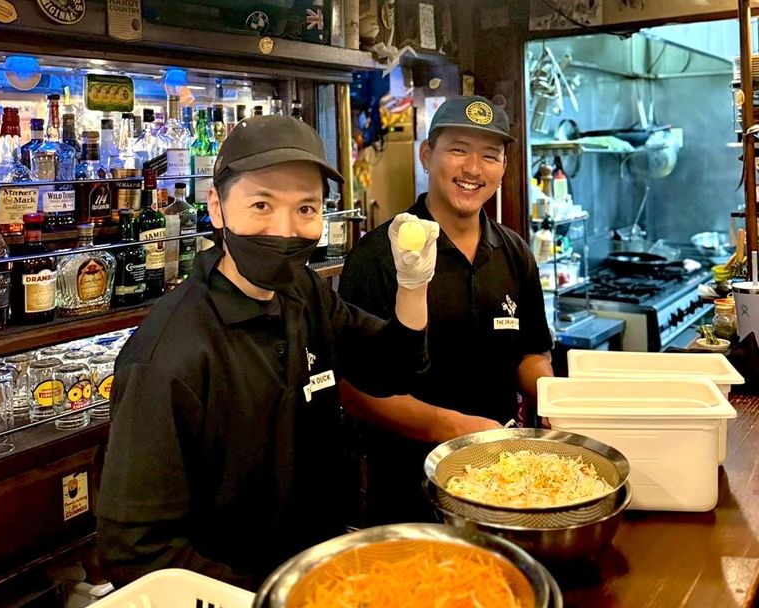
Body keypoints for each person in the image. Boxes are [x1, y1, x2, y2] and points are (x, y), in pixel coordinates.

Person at [96, 115, 439, 588]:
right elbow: (134, 551)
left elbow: (391, 369)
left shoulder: (304, 293)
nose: (285, 230)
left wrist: (413, 284)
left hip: (323, 575)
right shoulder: (167, 357)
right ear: (216, 207)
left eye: (306, 208)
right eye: (261, 204)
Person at [338, 96, 554, 524]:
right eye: (458, 149)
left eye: (489, 155)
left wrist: (552, 400)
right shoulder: (379, 255)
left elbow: (531, 352)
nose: (473, 169)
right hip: (408, 487)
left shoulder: (514, 252)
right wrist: (448, 428)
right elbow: (352, 389)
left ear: (504, 167)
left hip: (502, 482)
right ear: (426, 155)